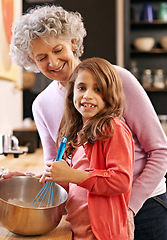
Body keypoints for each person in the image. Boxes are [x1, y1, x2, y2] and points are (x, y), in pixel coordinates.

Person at [6, 4, 167, 240]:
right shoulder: (41, 105)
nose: (52, 62)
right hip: (94, 214)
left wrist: (129, 207)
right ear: (31, 61)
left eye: (57, 50)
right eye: (42, 57)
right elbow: (59, 171)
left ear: (73, 42)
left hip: (145, 205)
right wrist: (29, 181)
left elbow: (161, 152)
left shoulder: (118, 79)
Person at [40, 57, 134, 239]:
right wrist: (50, 176)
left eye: (97, 89)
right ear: (72, 93)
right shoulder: (78, 133)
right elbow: (78, 184)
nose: (87, 95)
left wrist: (70, 175)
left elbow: (121, 180)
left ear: (110, 95)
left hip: (102, 234)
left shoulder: (113, 128)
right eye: (82, 88)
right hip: (79, 231)